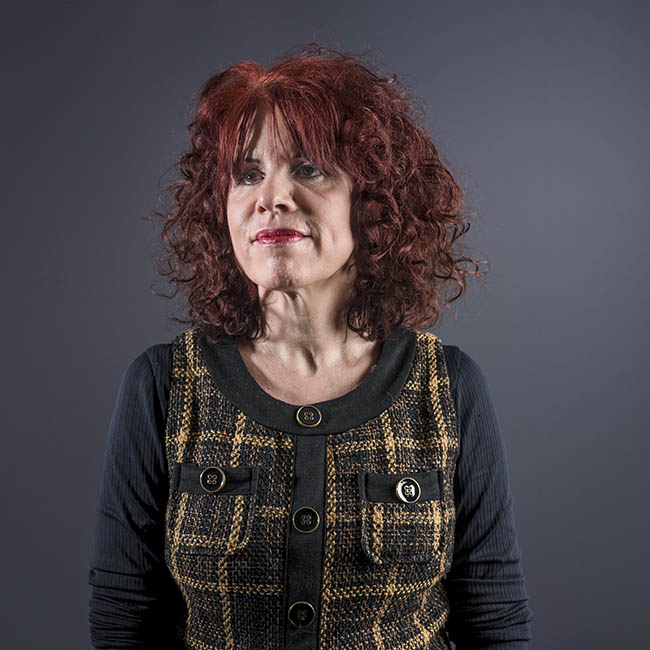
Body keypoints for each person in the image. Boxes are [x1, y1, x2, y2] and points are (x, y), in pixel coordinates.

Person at [88, 44, 533, 649]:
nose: (270, 196)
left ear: (372, 202)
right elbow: (125, 618)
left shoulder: (448, 388)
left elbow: (494, 619)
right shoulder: (164, 386)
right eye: (248, 174)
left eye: (308, 168)